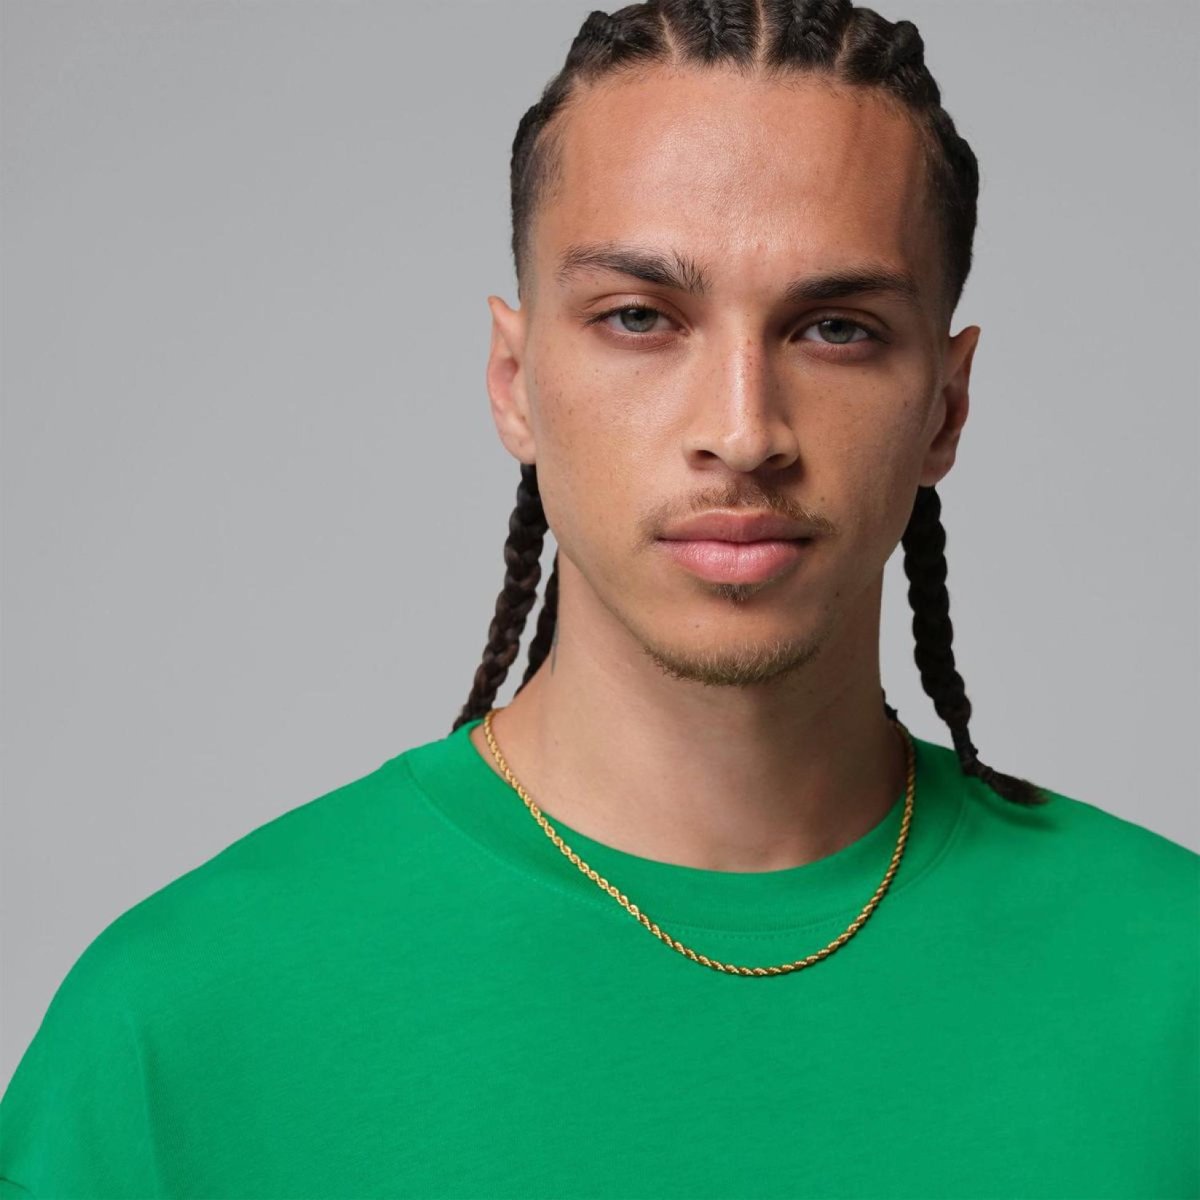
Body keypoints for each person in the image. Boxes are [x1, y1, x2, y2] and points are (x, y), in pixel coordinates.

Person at [2, 1, 1196, 1196]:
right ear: (514, 380)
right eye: (639, 318)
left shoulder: (1169, 988)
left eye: (835, 329)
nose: (743, 431)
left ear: (947, 405)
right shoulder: (177, 1030)